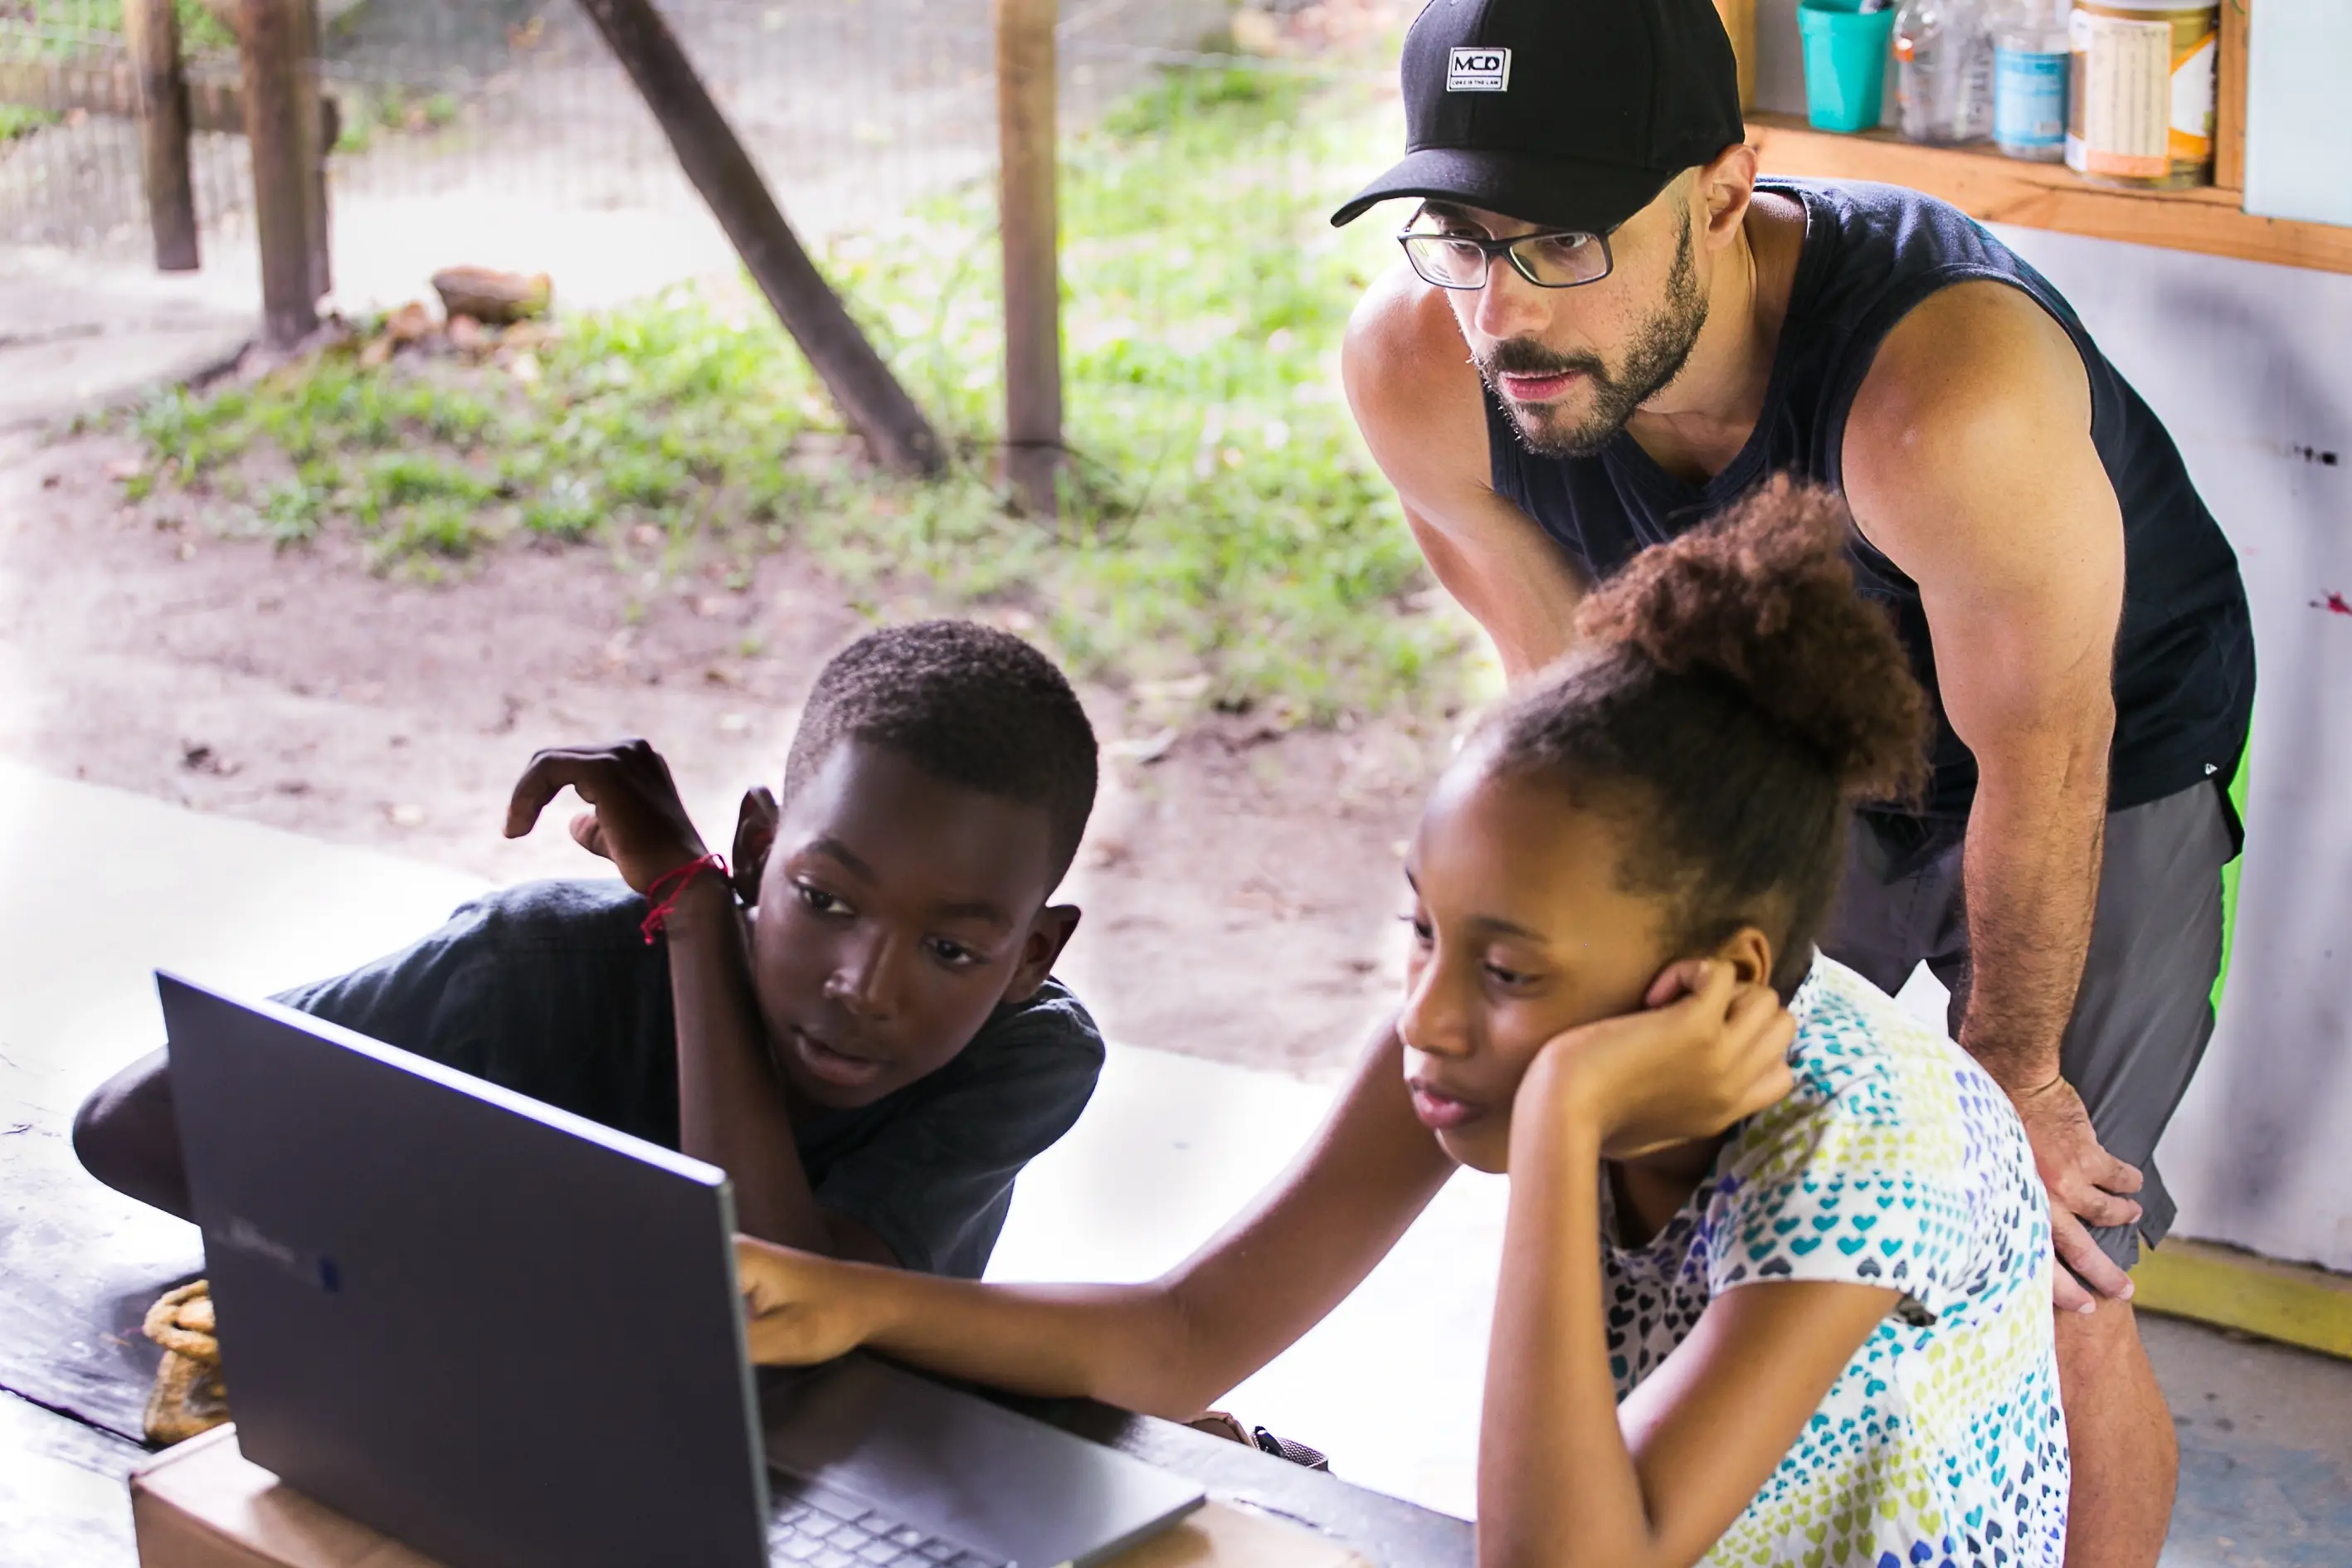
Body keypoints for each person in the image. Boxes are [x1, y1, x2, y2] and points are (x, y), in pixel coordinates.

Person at [731, 485, 2069, 1568]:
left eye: (1503, 970)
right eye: (1424, 929)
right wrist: (846, 1301)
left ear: (1714, 977)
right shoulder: (1490, 1022)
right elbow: (1189, 1331)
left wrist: (1561, 1126)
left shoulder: (1862, 1149)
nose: (1424, 1015)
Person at [1330, 2, 2252, 1560]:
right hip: (1772, 730)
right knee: (1692, 1169)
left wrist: (2011, 1083)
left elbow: (2049, 749)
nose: (1500, 313)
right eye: (1464, 240)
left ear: (1719, 189)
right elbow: (1586, 730)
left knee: (2060, 1258)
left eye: (1560, 242)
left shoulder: (1942, 391)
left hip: (2092, 747)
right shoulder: (1427, 372)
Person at [73, 620, 1106, 1278]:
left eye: (952, 950)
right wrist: (503, 1286)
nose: (863, 986)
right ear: (755, 848)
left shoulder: (1025, 1055)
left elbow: (783, 1299)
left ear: (1032, 957)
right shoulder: (543, 968)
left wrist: (697, 912)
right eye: (826, 900)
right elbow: (135, 1122)